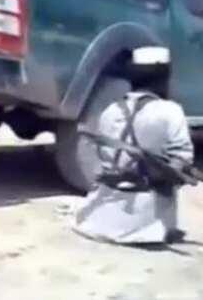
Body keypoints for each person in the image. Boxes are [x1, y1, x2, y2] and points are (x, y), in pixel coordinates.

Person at [73, 90, 194, 244]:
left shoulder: (110, 110)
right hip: (145, 228)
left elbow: (96, 156)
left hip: (96, 221)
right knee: (173, 172)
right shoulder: (170, 110)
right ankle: (166, 226)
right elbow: (181, 157)